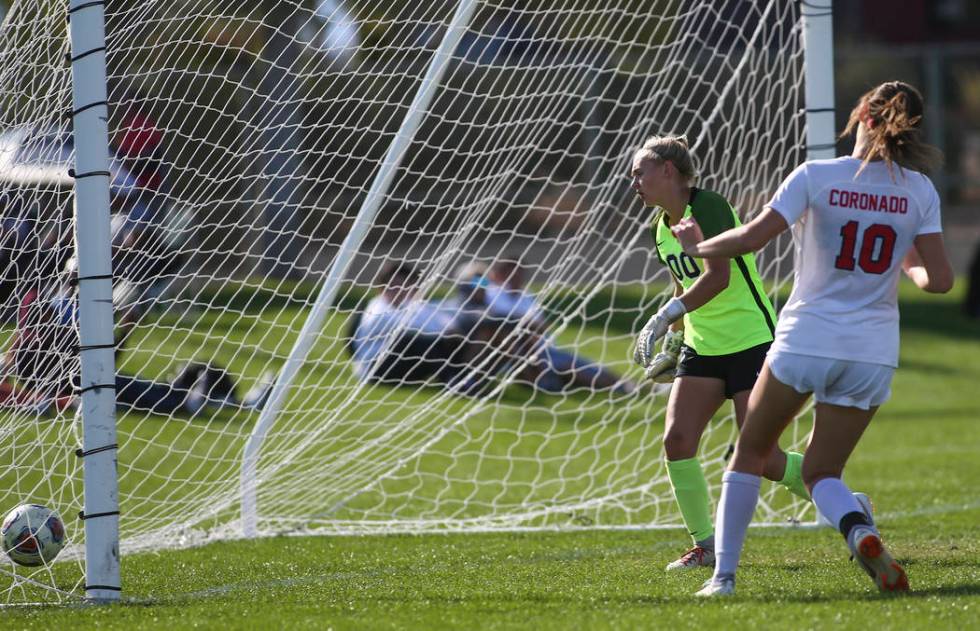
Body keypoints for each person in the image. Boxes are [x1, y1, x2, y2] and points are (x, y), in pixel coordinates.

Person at [671, 81, 953, 596]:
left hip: (806, 340)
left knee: (749, 453)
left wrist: (697, 246)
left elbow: (751, 237)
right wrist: (907, 263)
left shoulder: (817, 176)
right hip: (871, 353)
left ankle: (723, 577)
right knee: (824, 471)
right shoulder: (920, 190)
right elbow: (940, 281)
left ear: (862, 117)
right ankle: (859, 530)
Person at [629, 135, 813, 571]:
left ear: (669, 171)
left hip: (750, 341)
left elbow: (718, 277)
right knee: (677, 440)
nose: (633, 180)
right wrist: (675, 335)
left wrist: (666, 313)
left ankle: (840, 497)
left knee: (763, 457)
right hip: (702, 347)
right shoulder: (661, 226)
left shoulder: (707, 206)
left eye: (641, 171)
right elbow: (683, 281)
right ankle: (705, 546)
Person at [476, 257, 634, 395]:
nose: (516, 277)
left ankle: (630, 385)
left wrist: (530, 328)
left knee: (584, 365)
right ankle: (624, 387)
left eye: (519, 273)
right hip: (518, 354)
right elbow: (497, 323)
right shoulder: (491, 294)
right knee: (572, 367)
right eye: (510, 272)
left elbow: (541, 326)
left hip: (542, 348)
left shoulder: (526, 296)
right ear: (497, 274)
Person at [351, 261, 479, 391]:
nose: (399, 290)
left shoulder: (408, 304)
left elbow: (437, 318)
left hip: (401, 365)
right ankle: (455, 383)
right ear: (381, 288)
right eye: (393, 286)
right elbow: (407, 327)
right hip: (375, 369)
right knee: (414, 340)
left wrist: (449, 330)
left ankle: (464, 379)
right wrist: (442, 333)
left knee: (454, 340)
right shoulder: (377, 309)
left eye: (403, 286)